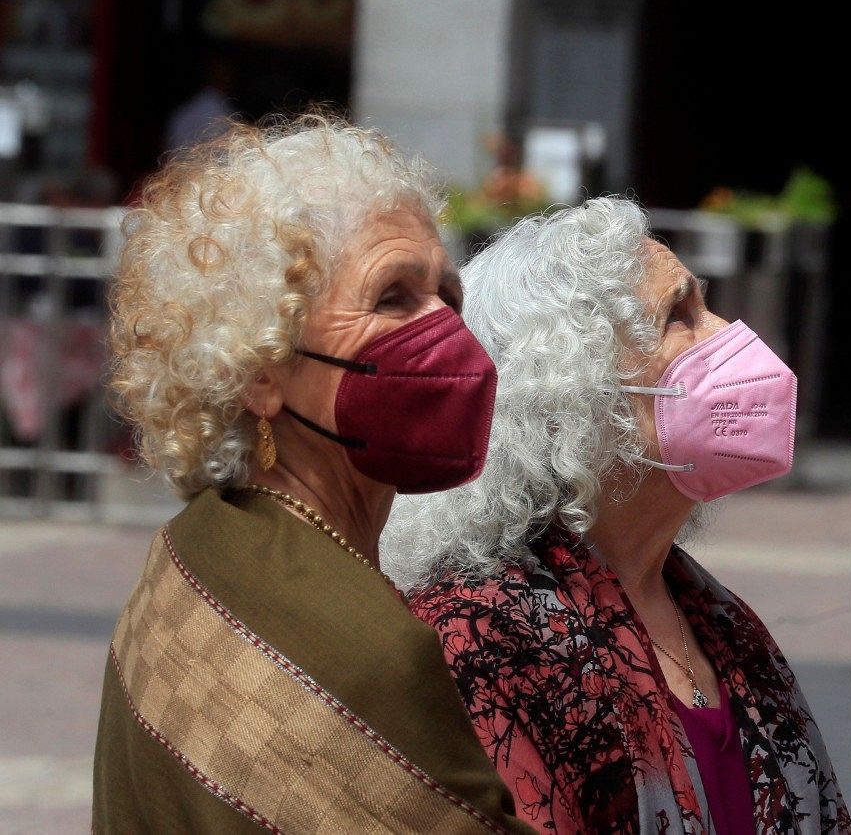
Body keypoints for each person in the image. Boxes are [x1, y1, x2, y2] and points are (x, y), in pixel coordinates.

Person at [94, 114, 529, 833]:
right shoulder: (365, 650)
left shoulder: (192, 547)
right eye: (393, 297)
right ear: (262, 372)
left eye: (445, 296)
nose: (445, 328)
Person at [381, 198, 851, 835]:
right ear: (573, 394)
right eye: (679, 318)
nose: (729, 335)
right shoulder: (483, 637)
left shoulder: (717, 616)